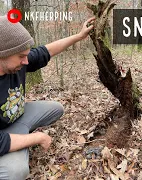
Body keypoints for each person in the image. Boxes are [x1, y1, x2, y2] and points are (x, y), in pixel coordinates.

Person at [0, 15, 95, 179]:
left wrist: (79, 36)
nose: (26, 61)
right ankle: (18, 143)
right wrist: (36, 138)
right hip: (2, 133)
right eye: (21, 56)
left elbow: (46, 51)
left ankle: (21, 133)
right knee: (16, 172)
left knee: (56, 109)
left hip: (13, 116)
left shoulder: (19, 60)